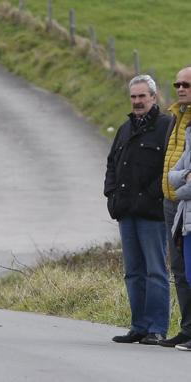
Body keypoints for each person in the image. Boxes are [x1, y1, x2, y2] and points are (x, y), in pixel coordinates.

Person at [104, 74, 171, 345]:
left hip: (152, 214)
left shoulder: (166, 126)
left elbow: (168, 167)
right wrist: (111, 195)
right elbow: (111, 164)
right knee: (133, 271)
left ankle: (157, 328)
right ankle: (139, 326)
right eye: (133, 97)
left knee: (156, 270)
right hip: (126, 213)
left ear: (154, 98)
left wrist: (151, 196)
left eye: (143, 96)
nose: (137, 101)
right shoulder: (124, 129)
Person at [160, 67, 191, 349]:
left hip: (187, 202)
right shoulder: (176, 115)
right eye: (177, 84)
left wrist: (179, 186)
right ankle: (187, 328)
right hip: (172, 204)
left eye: (186, 84)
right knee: (179, 269)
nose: (181, 89)